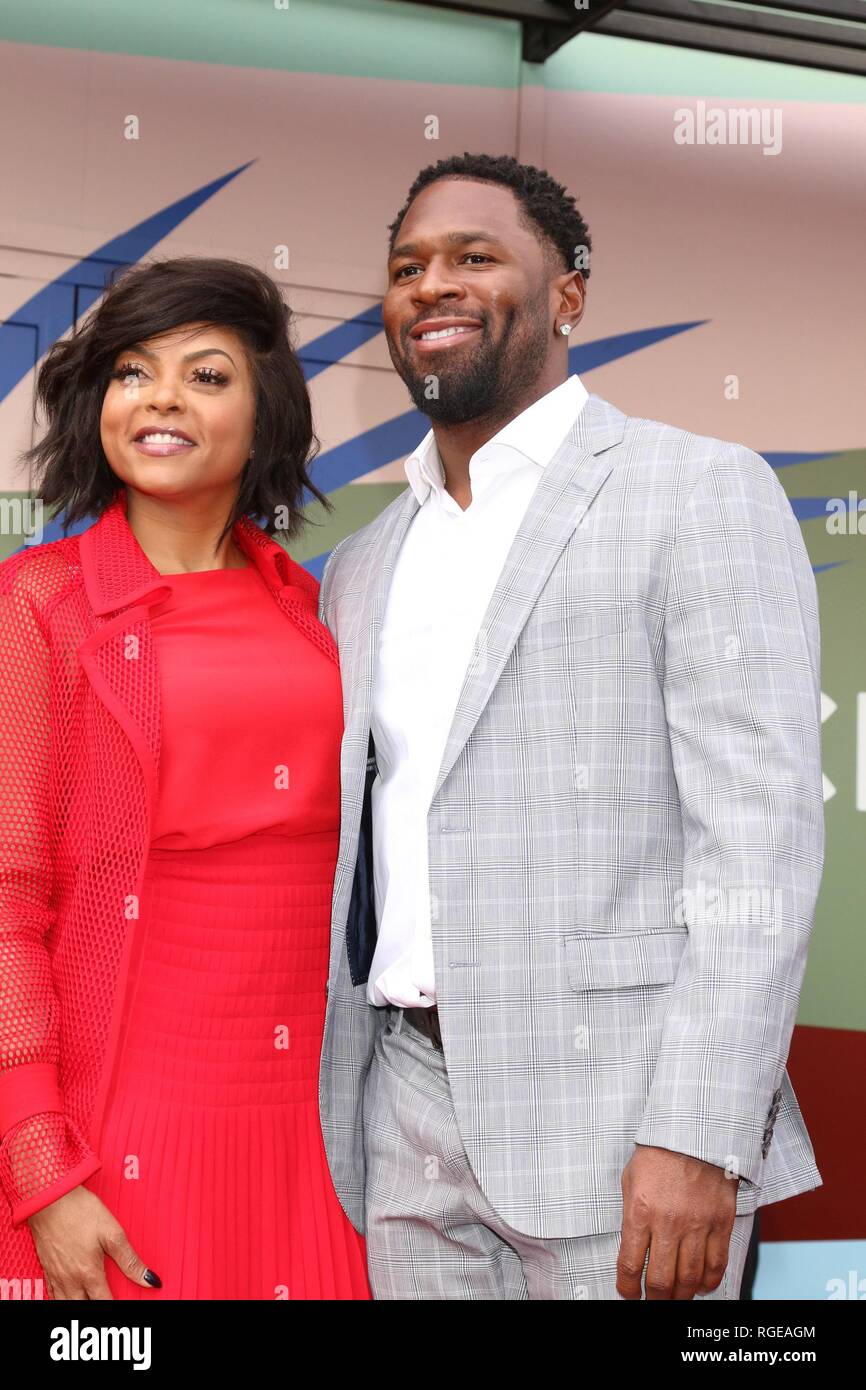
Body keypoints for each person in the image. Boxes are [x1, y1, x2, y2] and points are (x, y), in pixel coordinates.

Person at [316, 152, 824, 1300]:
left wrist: (697, 1131)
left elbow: (758, 845)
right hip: (402, 1114)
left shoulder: (695, 491)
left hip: (623, 1130)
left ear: (568, 295)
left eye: (472, 256)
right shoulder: (360, 564)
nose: (430, 284)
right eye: (406, 267)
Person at [0, 256, 371, 1300]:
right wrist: (43, 1169)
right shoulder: (41, 606)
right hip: (122, 1125)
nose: (160, 396)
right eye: (131, 371)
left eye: (206, 375)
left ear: (267, 420)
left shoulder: (320, 612)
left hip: (321, 1130)